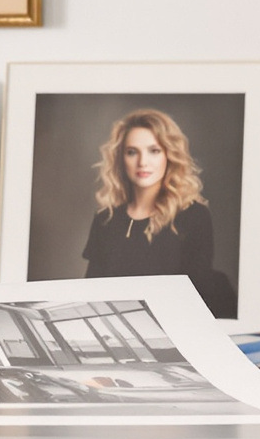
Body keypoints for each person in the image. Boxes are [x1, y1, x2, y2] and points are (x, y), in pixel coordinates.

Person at [79, 109, 236, 318]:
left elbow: (195, 296)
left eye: (154, 150)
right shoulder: (105, 220)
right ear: (120, 158)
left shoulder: (193, 217)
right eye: (132, 152)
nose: (142, 162)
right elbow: (91, 297)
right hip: (117, 330)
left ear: (169, 156)